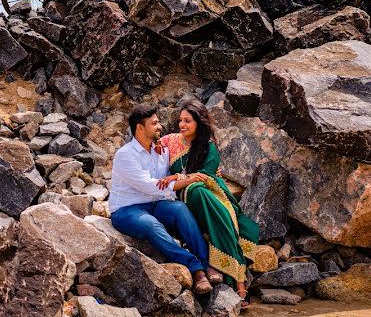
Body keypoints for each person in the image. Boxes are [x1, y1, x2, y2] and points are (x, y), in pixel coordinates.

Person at [157, 98, 261, 308]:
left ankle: (238, 278)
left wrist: (180, 177)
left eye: (188, 121)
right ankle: (238, 281)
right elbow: (149, 146)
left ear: (199, 123)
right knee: (196, 191)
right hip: (183, 193)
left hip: (211, 192)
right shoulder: (170, 141)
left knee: (211, 202)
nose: (182, 125)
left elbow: (207, 177)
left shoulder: (208, 147)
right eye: (180, 120)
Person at [109, 103, 220, 295]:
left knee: (180, 210)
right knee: (151, 225)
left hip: (155, 204)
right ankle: (196, 269)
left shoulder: (162, 150)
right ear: (140, 128)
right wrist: (189, 179)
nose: (160, 126)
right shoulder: (126, 155)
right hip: (127, 210)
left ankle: (206, 263)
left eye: (158, 122)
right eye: (154, 123)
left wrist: (209, 172)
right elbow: (151, 186)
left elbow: (186, 154)